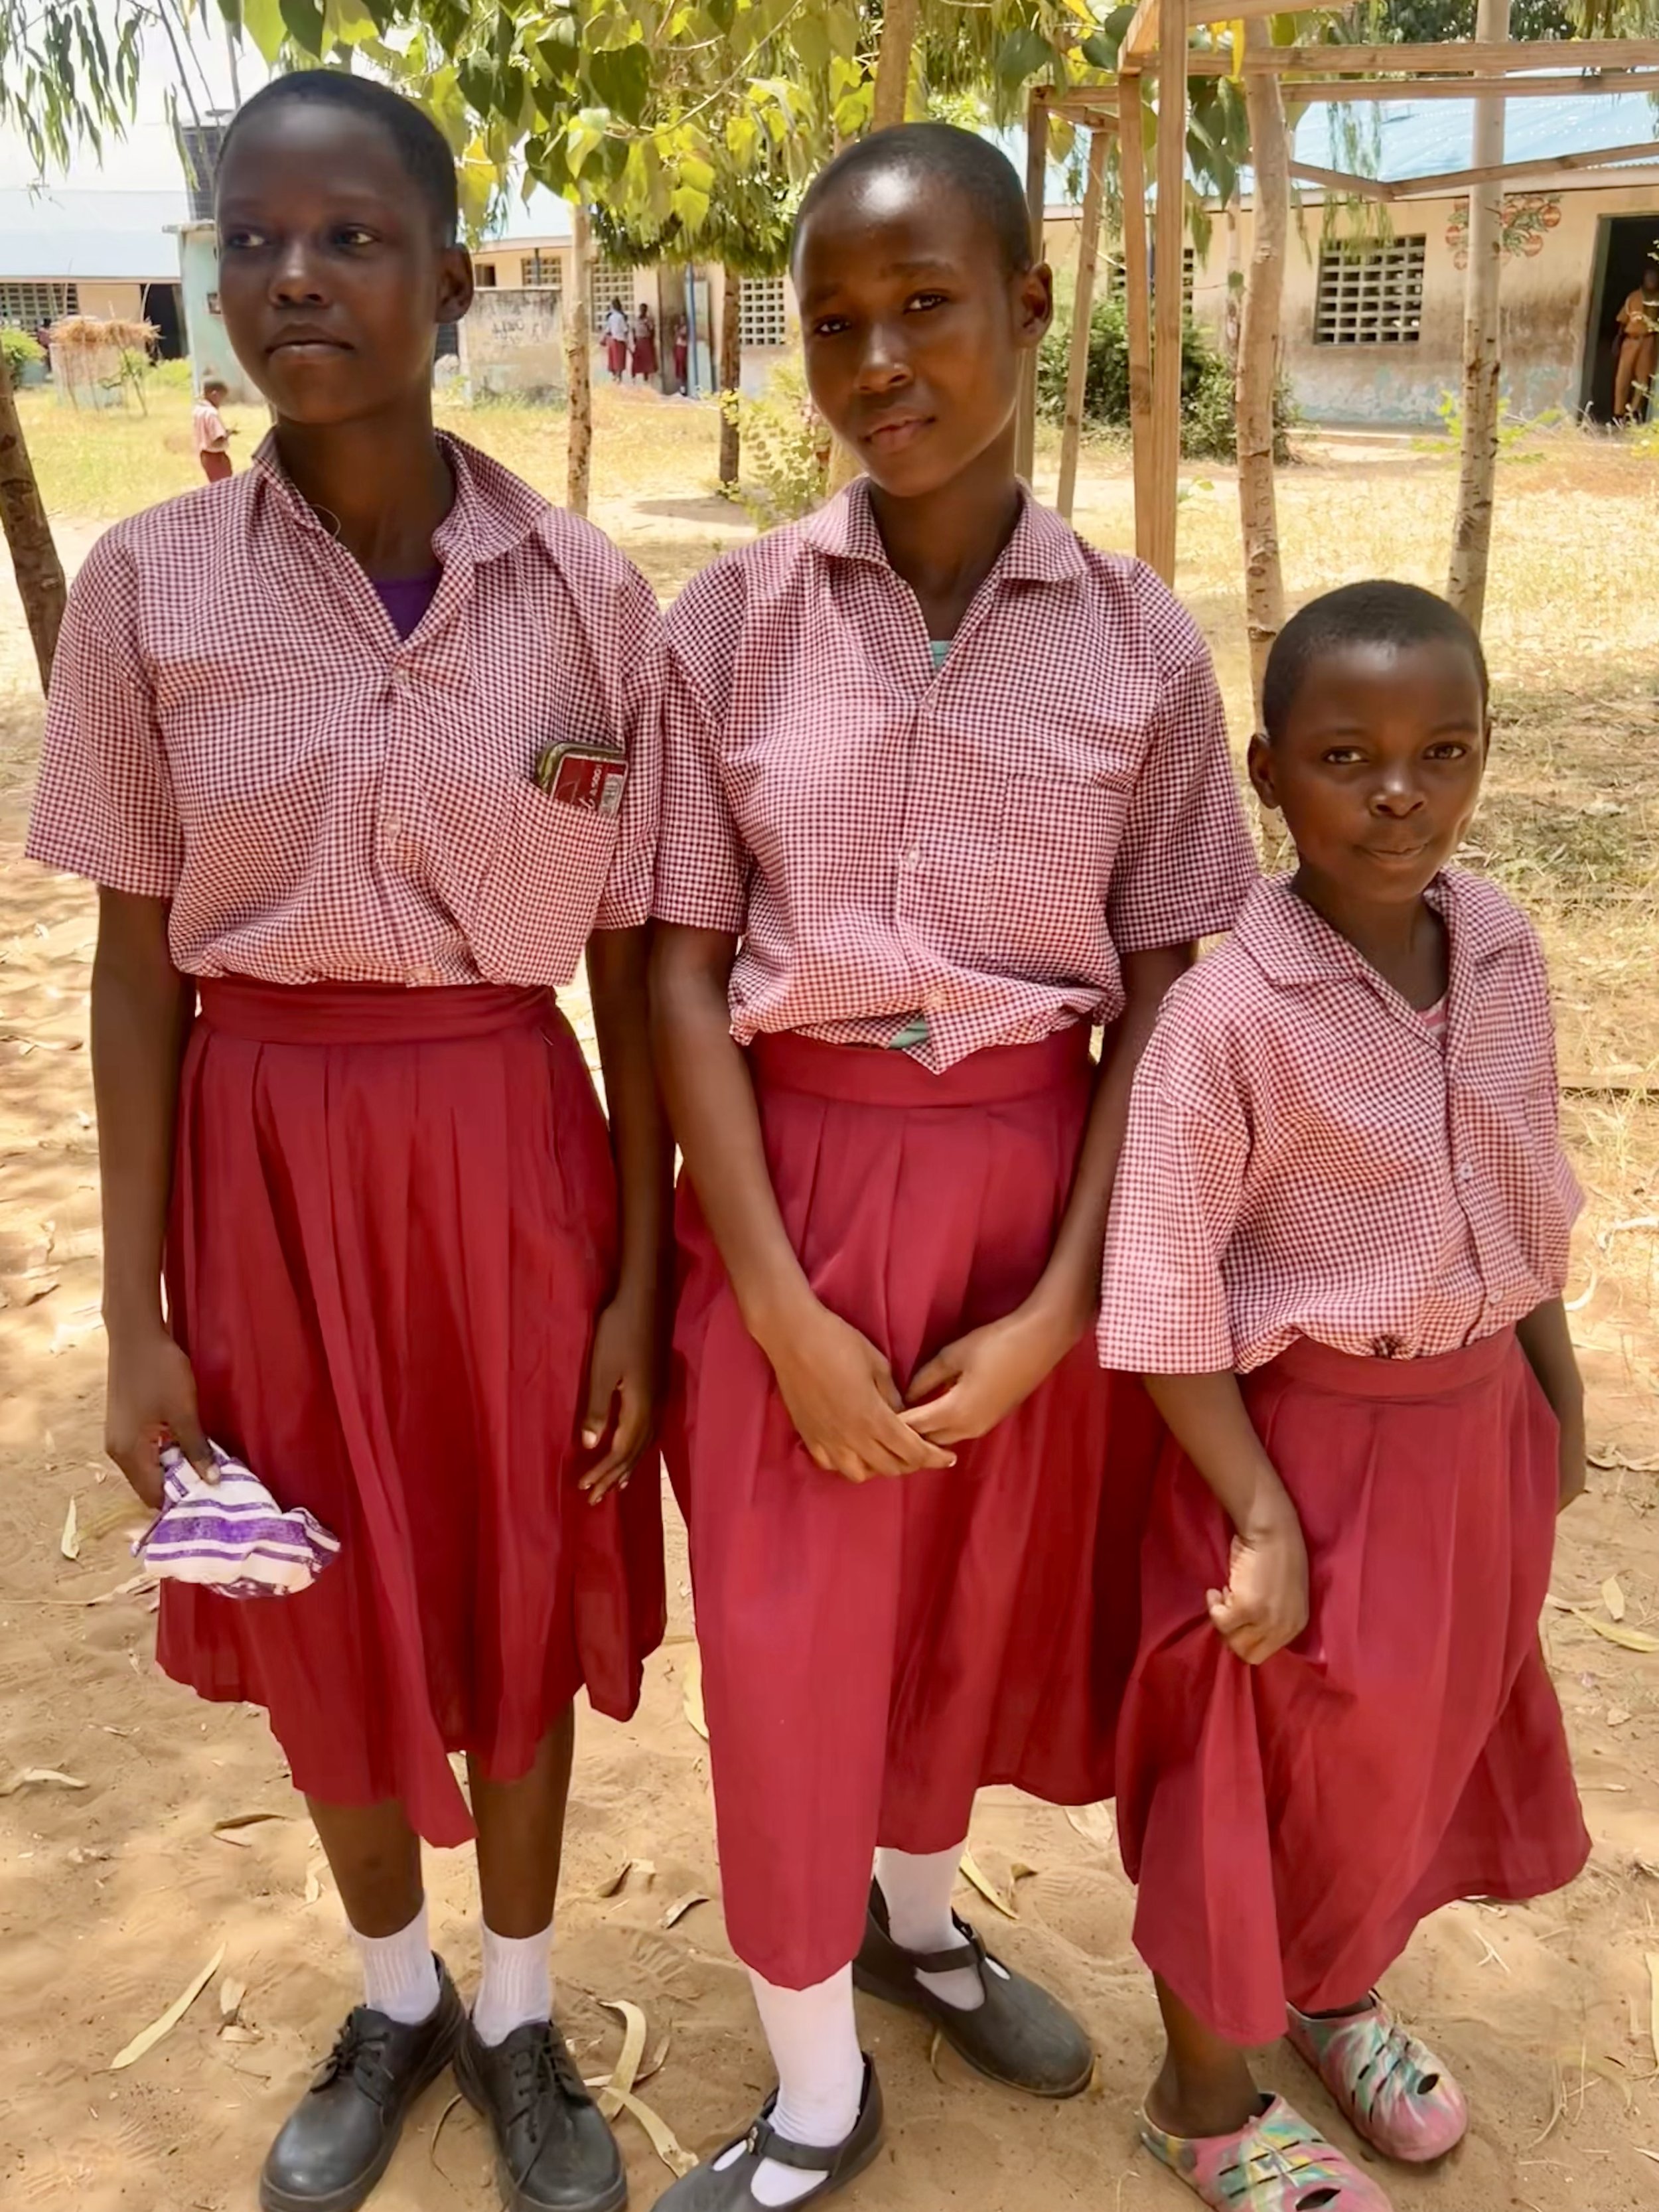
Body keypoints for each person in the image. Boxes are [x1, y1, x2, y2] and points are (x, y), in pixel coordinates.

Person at [26, 70, 668, 2212]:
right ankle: (390, 1991)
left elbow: (649, 962)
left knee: (517, 1585)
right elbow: (136, 968)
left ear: (455, 282)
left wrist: (641, 1279)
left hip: (512, 1162)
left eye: (356, 237)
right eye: (256, 238)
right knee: (301, 1585)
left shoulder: (586, 598)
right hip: (262, 1167)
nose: (297, 276)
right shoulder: (149, 590)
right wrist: (133, 1318)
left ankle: (517, 2006)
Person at [648, 123, 1257, 2210]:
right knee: (792, 1632)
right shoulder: (725, 624)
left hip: (1031, 1188)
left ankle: (914, 1922)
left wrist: (1069, 1299)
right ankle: (813, 2080)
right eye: (833, 322)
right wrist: (773, 1304)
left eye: (928, 307)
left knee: (967, 1615)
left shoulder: (1135, 646)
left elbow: (1172, 981)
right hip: (789, 1185)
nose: (878, 357)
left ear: (1029, 311)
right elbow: (670, 967)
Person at [1097, 581, 1591, 2212]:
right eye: (1345, 755)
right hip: (1295, 1449)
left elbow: (1522, 1191)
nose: (1398, 793)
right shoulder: (1230, 1017)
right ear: (1265, 771)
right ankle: (1204, 2097)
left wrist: (1551, 1394)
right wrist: (1256, 1513)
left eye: (1440, 752)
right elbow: (1164, 1293)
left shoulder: (1503, 949)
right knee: (1246, 1765)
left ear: (1481, 757)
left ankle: (1332, 1990)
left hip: (1474, 1432)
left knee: (1399, 1751)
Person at [1613, 260, 1659, 423]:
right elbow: (1622, 322)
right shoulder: (1633, 297)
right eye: (1649, 277)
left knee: (1643, 378)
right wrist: (1617, 342)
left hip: (1649, 341)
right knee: (1623, 377)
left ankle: (1634, 412)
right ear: (1644, 279)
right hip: (1630, 340)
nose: (1652, 280)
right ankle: (1618, 413)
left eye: (1654, 277)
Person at [192, 376, 235, 482]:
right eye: (222, 398)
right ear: (215, 395)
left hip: (205, 456)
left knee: (214, 483)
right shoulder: (212, 413)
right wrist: (227, 434)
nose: (221, 402)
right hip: (217, 457)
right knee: (225, 485)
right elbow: (218, 439)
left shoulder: (198, 410)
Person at [630, 302, 657, 386]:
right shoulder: (636, 319)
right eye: (641, 309)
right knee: (636, 361)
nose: (642, 311)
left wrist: (651, 340)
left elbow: (652, 330)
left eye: (644, 309)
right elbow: (633, 330)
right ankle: (634, 381)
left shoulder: (648, 320)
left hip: (646, 341)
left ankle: (646, 381)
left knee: (647, 362)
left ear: (646, 310)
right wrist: (634, 340)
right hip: (639, 341)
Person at [604, 297, 629, 382]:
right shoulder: (620, 317)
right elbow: (625, 329)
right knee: (619, 360)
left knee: (613, 360)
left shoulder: (611, 317)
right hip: (620, 340)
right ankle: (619, 378)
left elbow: (607, 330)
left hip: (612, 341)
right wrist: (627, 340)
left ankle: (615, 377)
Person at [672, 313, 689, 396]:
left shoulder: (685, 328)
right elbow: (676, 338)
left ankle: (684, 388)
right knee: (678, 367)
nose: (682, 320)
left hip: (683, 347)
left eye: (683, 319)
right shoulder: (679, 327)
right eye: (681, 319)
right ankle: (681, 387)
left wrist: (677, 331)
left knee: (682, 367)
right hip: (678, 347)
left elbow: (683, 336)